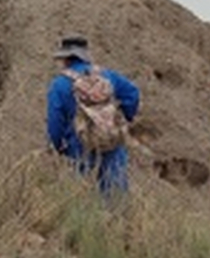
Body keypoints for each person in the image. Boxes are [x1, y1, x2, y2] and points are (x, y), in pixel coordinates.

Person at [46, 36, 140, 195]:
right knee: (115, 195)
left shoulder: (59, 84)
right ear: (85, 55)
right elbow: (133, 94)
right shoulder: (107, 75)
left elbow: (55, 122)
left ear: (66, 59)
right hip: (111, 141)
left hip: (79, 145)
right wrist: (121, 117)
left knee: (80, 196)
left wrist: (58, 146)